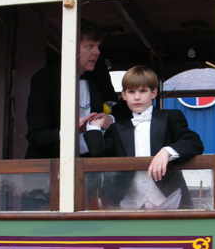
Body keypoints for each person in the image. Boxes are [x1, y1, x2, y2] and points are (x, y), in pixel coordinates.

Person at [84, 65, 204, 209]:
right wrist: (94, 128)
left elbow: (194, 142)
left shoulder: (171, 117)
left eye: (142, 91)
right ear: (124, 95)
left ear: (153, 93)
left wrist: (166, 152)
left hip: (171, 200)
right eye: (131, 91)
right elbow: (99, 153)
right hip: (130, 204)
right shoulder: (117, 128)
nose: (137, 97)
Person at [25, 22, 126, 158]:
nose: (97, 52)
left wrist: (110, 118)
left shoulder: (99, 72)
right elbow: (36, 136)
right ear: (70, 47)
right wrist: (70, 131)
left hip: (92, 161)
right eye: (89, 46)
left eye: (97, 46)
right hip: (51, 162)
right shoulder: (44, 78)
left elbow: (118, 110)